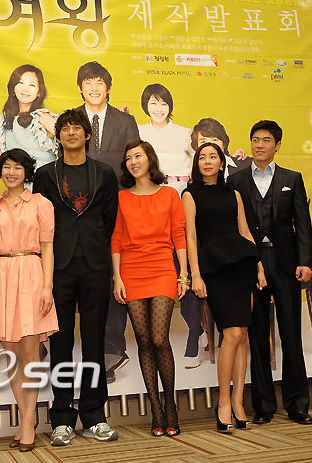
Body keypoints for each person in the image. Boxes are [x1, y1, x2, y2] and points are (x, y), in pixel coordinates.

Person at [33, 108, 119, 446]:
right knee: (61, 343)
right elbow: (41, 221)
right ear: (58, 136)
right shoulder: (45, 174)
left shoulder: (105, 172)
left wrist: (94, 242)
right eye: (65, 128)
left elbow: (109, 218)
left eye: (76, 127)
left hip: (96, 264)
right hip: (59, 266)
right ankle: (62, 418)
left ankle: (95, 416)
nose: (71, 132)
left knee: (95, 341)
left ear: (87, 134)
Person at [228, 120, 312, 426]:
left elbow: (302, 223)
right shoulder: (236, 180)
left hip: (287, 264)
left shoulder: (292, 178)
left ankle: (297, 404)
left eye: (266, 140)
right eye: (255, 139)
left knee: (291, 334)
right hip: (252, 263)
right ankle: (263, 405)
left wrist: (305, 261)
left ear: (277, 145)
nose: (259, 145)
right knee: (257, 335)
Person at [0, 148, 58, 452]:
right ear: (0, 171)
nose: (11, 172)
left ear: (27, 172)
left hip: (31, 274)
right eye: (6, 167)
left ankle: (26, 425)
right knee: (10, 354)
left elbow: (47, 247)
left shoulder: (40, 204)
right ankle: (28, 419)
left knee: (30, 352)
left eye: (17, 167)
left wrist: (47, 286)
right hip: (0, 277)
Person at [182, 142, 266, 432]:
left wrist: (259, 266)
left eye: (213, 157)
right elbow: (190, 237)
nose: (207, 161)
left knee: (242, 334)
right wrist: (196, 275)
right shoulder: (190, 194)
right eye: (202, 157)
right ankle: (223, 403)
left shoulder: (234, 193)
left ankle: (239, 402)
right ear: (197, 163)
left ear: (221, 162)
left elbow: (244, 231)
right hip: (214, 269)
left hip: (242, 265)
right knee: (230, 333)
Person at [111, 140, 188, 437]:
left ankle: (171, 405)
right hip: (131, 271)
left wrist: (184, 274)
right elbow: (116, 238)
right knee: (144, 341)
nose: (133, 162)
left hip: (162, 269)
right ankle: (156, 410)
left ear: (150, 159)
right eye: (128, 158)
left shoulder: (170, 194)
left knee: (158, 338)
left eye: (138, 156)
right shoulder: (121, 198)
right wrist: (117, 277)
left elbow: (179, 234)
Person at [76, 61, 140, 382]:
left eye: (99, 82)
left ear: (108, 87)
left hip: (118, 210)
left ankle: (111, 350)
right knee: (89, 281)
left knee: (116, 275)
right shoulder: (71, 120)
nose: (94, 87)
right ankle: (96, 351)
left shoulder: (125, 120)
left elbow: (133, 162)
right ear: (80, 88)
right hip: (80, 212)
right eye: (88, 82)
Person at [0, 65, 58, 173]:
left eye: (32, 85)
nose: (25, 89)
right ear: (13, 88)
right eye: (21, 83)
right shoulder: (5, 122)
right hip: (17, 181)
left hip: (45, 180)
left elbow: (71, 139)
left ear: (39, 92)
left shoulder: (42, 117)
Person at [137, 84, 193, 196]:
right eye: (153, 103)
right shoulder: (138, 131)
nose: (159, 109)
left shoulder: (185, 133)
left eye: (164, 104)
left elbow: (201, 158)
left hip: (179, 192)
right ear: (146, 105)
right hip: (148, 192)